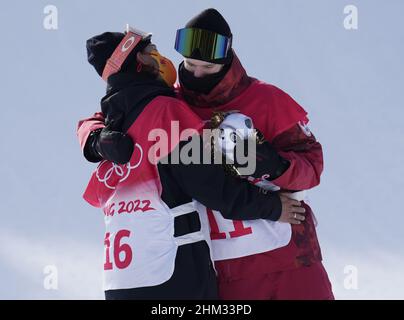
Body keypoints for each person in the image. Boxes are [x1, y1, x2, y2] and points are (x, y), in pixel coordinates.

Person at [80, 25, 305, 300]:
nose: (161, 59)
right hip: (172, 272)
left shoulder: (113, 122)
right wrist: (271, 206)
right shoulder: (164, 111)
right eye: (152, 52)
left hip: (119, 280)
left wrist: (91, 140)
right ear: (138, 60)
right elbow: (209, 186)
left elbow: (88, 127)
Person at [171, 8, 334, 300]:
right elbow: (112, 113)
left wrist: (277, 164)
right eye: (190, 63)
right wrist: (95, 138)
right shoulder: (169, 105)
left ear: (226, 60)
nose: (196, 73)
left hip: (291, 261)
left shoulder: (266, 99)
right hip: (224, 268)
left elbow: (312, 165)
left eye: (207, 68)